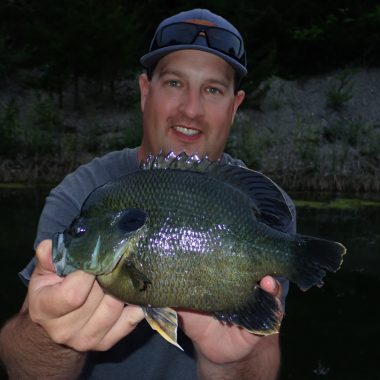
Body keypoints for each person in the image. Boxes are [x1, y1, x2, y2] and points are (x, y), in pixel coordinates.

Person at [0, 8, 295, 380]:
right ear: (144, 91)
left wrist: (230, 361)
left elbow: (262, 357)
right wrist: (52, 337)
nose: (190, 108)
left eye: (213, 89)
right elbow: (23, 368)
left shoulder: (258, 205)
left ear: (235, 107)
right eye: (174, 83)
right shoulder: (81, 192)